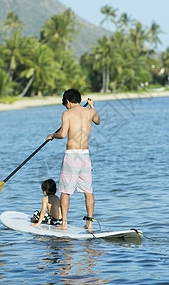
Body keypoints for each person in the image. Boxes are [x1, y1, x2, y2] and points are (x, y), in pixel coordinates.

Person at [46, 89, 100, 230]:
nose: (66, 107)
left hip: (72, 155)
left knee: (65, 190)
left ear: (68, 101)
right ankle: (89, 224)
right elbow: (98, 121)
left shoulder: (67, 114)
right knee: (88, 190)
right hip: (85, 155)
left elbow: (63, 134)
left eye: (66, 104)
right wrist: (92, 106)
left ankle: (64, 224)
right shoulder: (90, 112)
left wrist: (52, 135)